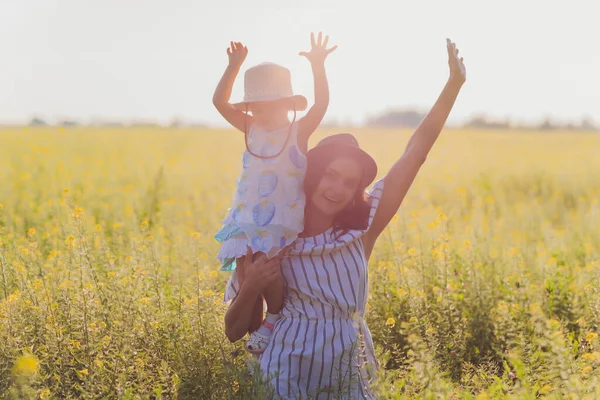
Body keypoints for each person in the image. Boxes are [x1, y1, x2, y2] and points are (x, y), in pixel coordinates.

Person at [223, 38, 467, 398]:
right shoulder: (273, 235)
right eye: (331, 175)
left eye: (350, 183)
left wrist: (453, 85)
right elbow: (236, 329)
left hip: (348, 367)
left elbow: (416, 151)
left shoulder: (362, 229)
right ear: (313, 175)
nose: (337, 188)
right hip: (284, 369)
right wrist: (252, 285)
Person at [213, 33, 337, 354]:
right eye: (257, 108)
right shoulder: (250, 128)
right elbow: (219, 102)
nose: (264, 115)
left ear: (287, 105)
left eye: (272, 108)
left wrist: (318, 66)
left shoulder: (298, 131)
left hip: (279, 221)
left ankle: (275, 318)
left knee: (270, 277)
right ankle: (256, 336)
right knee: (246, 283)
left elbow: (321, 104)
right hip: (243, 220)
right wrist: (234, 66)